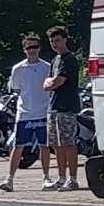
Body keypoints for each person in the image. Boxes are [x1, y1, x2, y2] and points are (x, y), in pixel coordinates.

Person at [0, 35, 52, 192]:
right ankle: (10, 179)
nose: (32, 50)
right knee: (18, 146)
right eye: (29, 47)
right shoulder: (18, 68)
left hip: (43, 111)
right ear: (24, 50)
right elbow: (17, 89)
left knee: (44, 146)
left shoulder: (47, 67)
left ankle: (46, 178)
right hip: (25, 113)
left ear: (39, 48)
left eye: (35, 47)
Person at [42, 25, 82, 191]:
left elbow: (57, 82)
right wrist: (50, 83)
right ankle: (61, 177)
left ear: (65, 40)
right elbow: (47, 82)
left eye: (57, 40)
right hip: (53, 107)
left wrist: (51, 83)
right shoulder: (55, 60)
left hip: (67, 107)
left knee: (68, 143)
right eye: (52, 41)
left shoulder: (69, 60)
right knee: (57, 145)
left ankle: (73, 179)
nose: (55, 44)